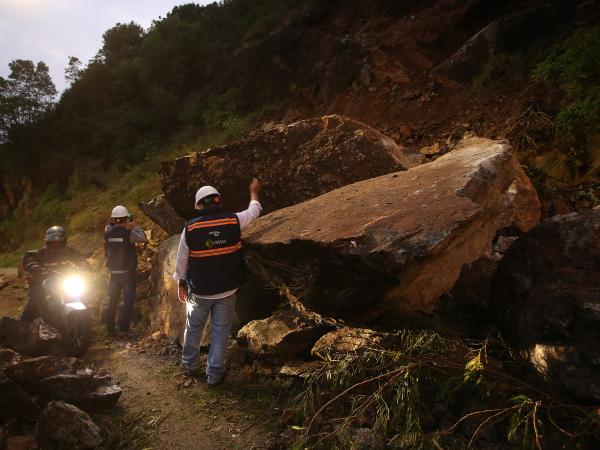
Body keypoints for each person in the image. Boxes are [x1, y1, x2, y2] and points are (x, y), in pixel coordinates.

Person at [173, 178, 262, 386]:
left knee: (194, 329)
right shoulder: (233, 221)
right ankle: (214, 375)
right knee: (221, 333)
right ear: (218, 201)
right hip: (227, 291)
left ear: (198, 205)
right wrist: (254, 192)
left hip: (200, 292)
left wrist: (180, 283)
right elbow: (254, 211)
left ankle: (189, 366)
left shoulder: (190, 228)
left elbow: (181, 260)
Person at [22, 226, 89, 321]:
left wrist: (85, 265)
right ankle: (25, 325)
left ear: (64, 242)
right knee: (35, 299)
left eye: (59, 243)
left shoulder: (70, 252)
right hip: (43, 281)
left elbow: (81, 258)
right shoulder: (39, 254)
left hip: (65, 280)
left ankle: (84, 320)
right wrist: (35, 267)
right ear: (48, 243)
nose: (56, 245)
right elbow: (29, 259)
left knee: (82, 294)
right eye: (53, 243)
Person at [104, 205, 148, 335]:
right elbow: (144, 238)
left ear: (114, 219)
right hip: (127, 272)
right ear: (125, 218)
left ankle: (110, 329)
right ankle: (124, 328)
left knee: (112, 300)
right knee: (128, 300)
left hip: (113, 272)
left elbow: (107, 251)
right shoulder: (130, 233)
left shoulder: (108, 233)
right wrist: (133, 226)